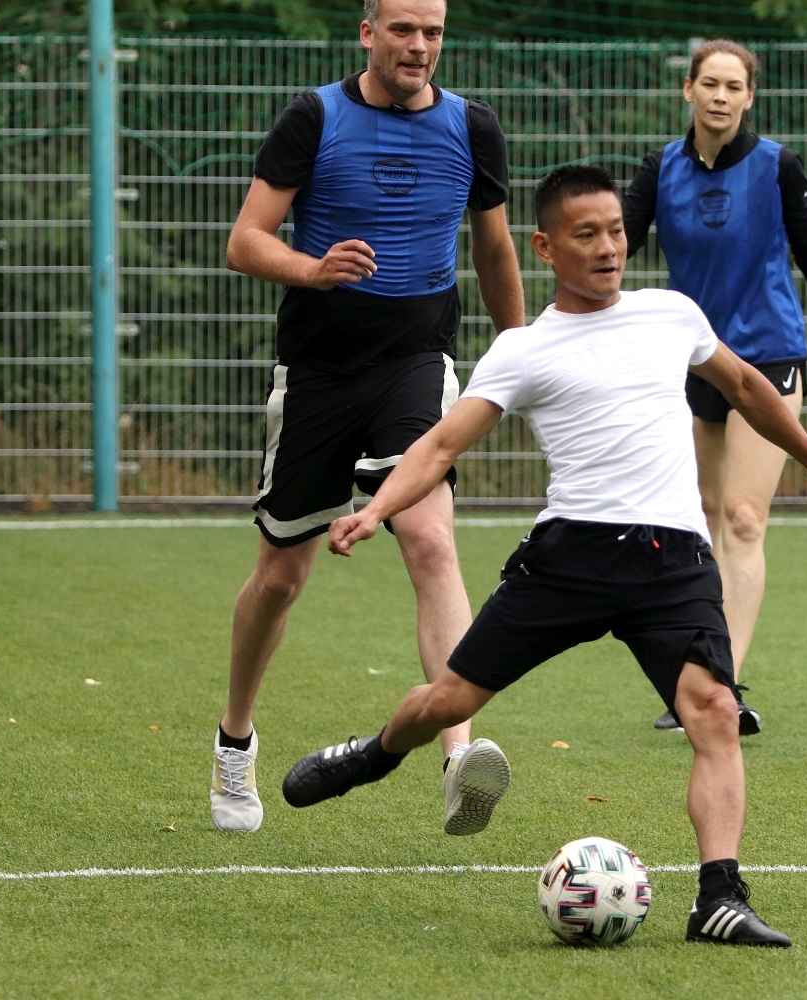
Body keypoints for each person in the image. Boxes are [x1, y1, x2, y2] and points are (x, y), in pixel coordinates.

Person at [279, 166, 807, 944]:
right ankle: (376, 755)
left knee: (715, 712)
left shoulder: (671, 314)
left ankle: (718, 898)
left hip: (671, 560)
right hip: (569, 560)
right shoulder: (523, 349)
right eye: (585, 235)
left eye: (616, 232)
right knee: (448, 701)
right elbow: (441, 444)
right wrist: (375, 509)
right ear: (545, 247)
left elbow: (746, 387)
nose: (607, 248)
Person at [212, 0, 525, 834]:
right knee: (280, 579)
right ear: (368, 33)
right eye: (402, 30)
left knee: (429, 537)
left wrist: (523, 352)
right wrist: (312, 269)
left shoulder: (473, 127)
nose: (419, 46)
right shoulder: (313, 118)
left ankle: (459, 756)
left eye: (432, 32)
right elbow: (245, 241)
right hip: (316, 373)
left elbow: (493, 247)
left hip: (416, 362)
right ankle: (235, 737)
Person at [623, 39, 807, 734]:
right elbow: (615, 246)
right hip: (694, 359)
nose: (720, 96)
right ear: (688, 90)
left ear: (749, 97)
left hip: (767, 356)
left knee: (741, 517)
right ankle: (695, 677)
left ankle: (720, 688)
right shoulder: (660, 168)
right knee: (698, 520)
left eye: (734, 86)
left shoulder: (775, 165)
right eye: (710, 83)